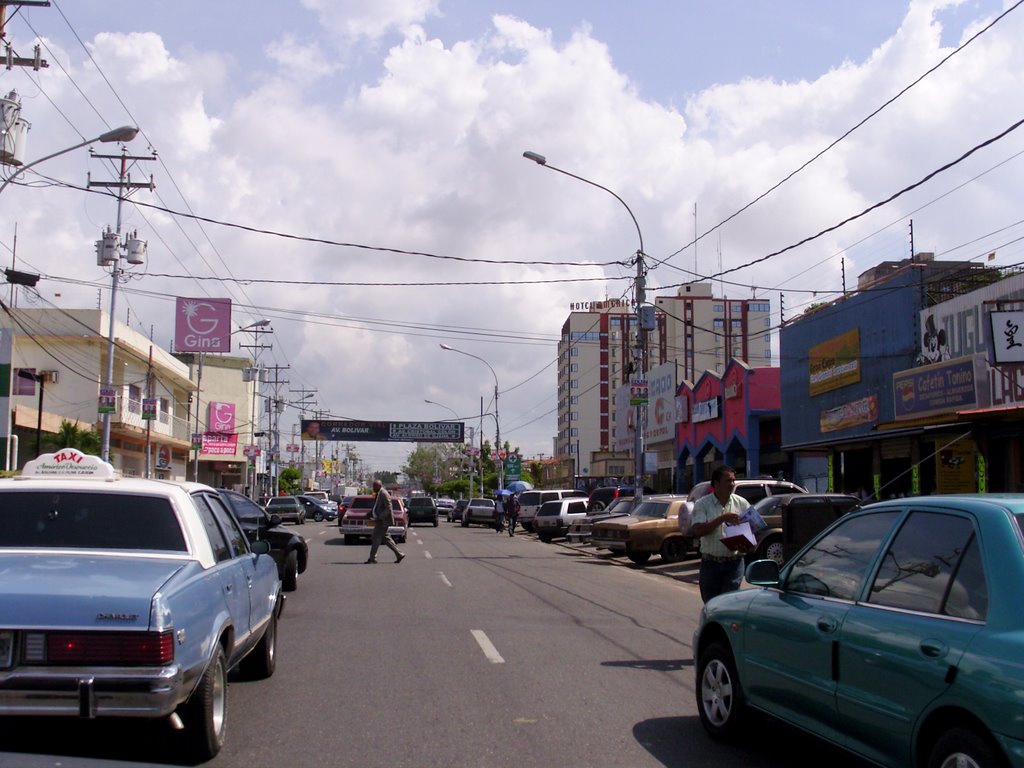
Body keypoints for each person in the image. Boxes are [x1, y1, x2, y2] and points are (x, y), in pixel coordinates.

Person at [688, 466, 752, 603]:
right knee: (711, 604)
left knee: (728, 604)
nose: (732, 484)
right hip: (711, 564)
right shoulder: (702, 504)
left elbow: (752, 535)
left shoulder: (742, 503)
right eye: (728, 481)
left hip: (734, 564)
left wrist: (746, 546)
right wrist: (723, 518)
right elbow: (698, 531)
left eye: (733, 480)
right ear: (716, 484)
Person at [366, 479, 404, 564]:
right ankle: (399, 554)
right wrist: (370, 513)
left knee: (376, 538)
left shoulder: (384, 493)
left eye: (375, 486)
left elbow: (388, 507)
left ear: (379, 486)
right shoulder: (379, 493)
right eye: (373, 486)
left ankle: (372, 558)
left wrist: (380, 517)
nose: (373, 488)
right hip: (380, 520)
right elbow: (377, 506)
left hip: (383, 521)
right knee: (386, 539)